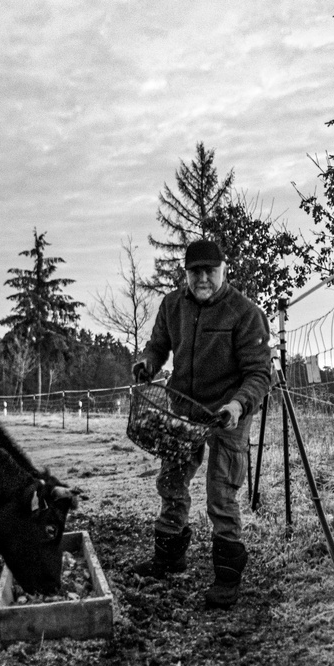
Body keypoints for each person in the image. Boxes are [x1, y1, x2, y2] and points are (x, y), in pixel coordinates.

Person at [129, 238, 271, 609]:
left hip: (228, 413)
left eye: (210, 270)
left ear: (224, 269)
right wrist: (148, 363)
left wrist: (239, 405)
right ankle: (169, 557)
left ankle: (227, 576)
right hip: (184, 408)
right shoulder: (172, 305)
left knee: (221, 493)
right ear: (186, 273)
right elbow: (158, 345)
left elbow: (259, 373)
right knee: (171, 481)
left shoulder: (245, 312)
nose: (203, 277)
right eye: (195, 271)